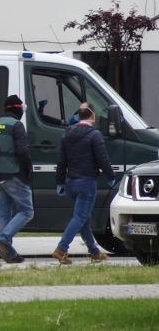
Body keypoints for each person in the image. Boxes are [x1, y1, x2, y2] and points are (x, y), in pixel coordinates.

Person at [53, 103, 115, 264]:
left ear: (78, 116)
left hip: (71, 182)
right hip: (87, 182)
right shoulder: (95, 135)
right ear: (93, 116)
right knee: (80, 217)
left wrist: (60, 182)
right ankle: (61, 249)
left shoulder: (67, 134)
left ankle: (94, 252)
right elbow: (103, 159)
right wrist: (110, 175)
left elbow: (61, 161)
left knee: (84, 218)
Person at [0, 95, 34, 264]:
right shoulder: (16, 125)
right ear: (17, 109)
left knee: (4, 214)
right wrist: (28, 170)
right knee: (27, 211)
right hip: (14, 174)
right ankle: (3, 237)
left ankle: (9, 254)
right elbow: (23, 152)